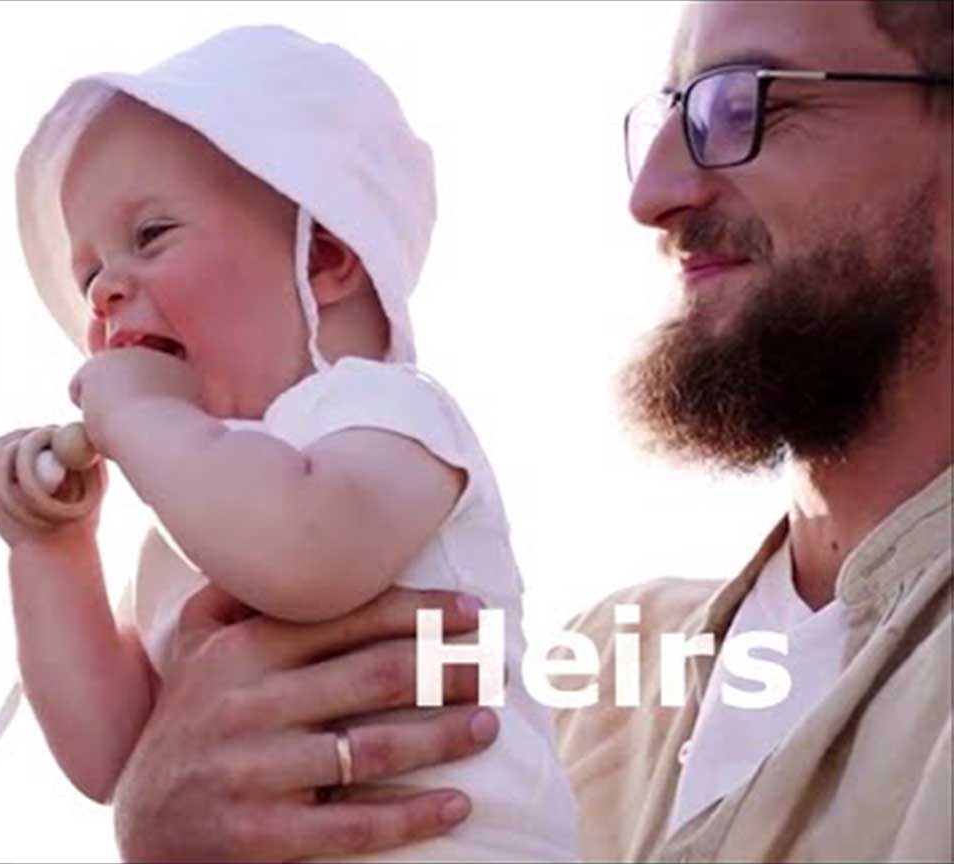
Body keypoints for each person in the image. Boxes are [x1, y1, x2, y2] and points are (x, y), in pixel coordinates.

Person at [107, 1, 953, 861]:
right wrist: (163, 822)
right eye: (670, 117)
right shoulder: (595, 674)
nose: (652, 196)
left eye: (742, 105)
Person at [0, 25, 579, 861]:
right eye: (88, 276)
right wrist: (51, 551)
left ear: (325, 257)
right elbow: (111, 757)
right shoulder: (191, 516)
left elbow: (302, 553)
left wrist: (149, 422)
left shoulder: (390, 415)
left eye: (150, 235)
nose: (107, 289)